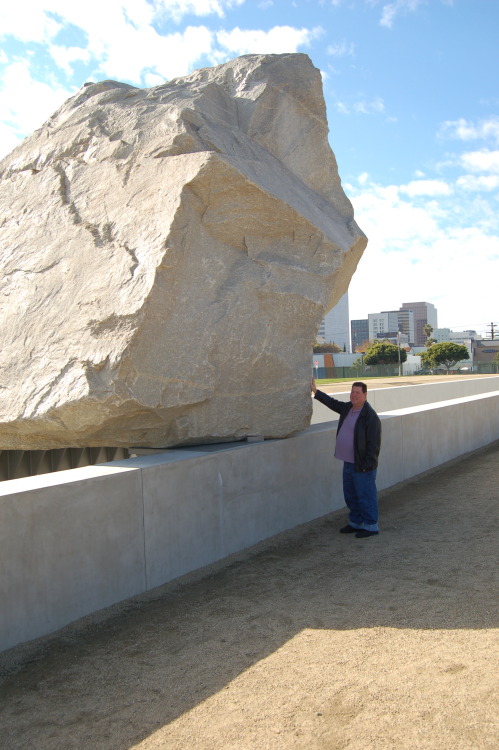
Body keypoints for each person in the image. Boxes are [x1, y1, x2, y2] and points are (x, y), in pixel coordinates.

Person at [311, 377, 382, 538]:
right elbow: (332, 403)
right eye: (352, 392)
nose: (354, 395)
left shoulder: (370, 416)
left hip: (362, 465)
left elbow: (374, 445)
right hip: (348, 462)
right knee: (350, 495)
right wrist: (316, 391)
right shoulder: (348, 408)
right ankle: (356, 522)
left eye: (357, 392)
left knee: (365, 495)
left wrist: (368, 465)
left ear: (365, 394)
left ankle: (371, 525)